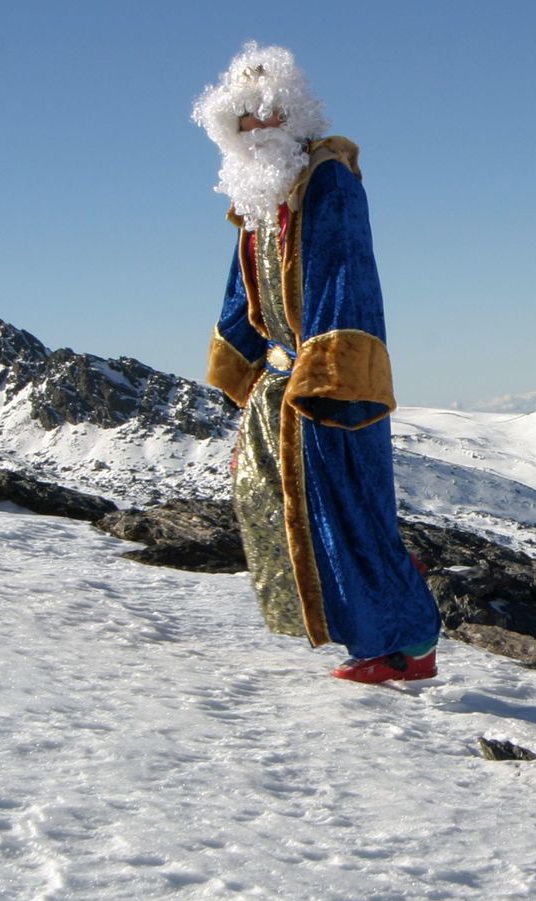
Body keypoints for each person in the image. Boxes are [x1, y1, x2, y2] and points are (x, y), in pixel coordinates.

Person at [193, 42, 441, 683]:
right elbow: (241, 291)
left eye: (266, 114)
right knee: (279, 506)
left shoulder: (327, 180)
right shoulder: (257, 199)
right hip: (276, 383)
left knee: (351, 513)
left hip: (327, 383)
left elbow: (346, 277)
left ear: (293, 115)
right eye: (242, 119)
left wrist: (327, 376)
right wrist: (241, 366)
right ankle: (369, 637)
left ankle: (410, 642)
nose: (255, 129)